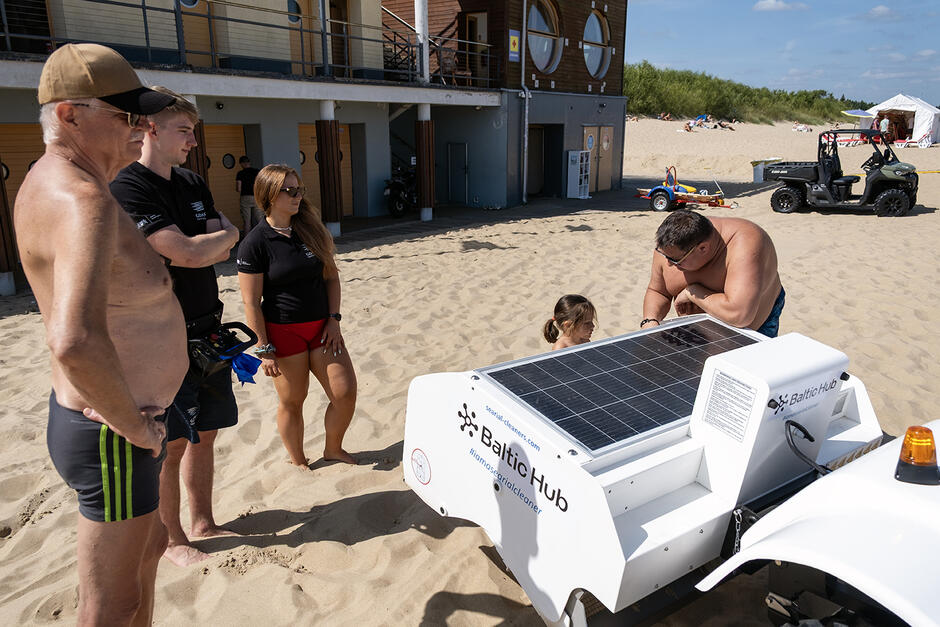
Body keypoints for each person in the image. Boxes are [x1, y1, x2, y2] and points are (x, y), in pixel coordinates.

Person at [14, 43, 186, 624]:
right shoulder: (80, 199)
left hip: (114, 422)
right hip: (113, 431)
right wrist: (135, 427)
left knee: (151, 554)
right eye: (125, 117)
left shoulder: (58, 185)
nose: (140, 132)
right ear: (69, 115)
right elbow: (73, 340)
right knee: (111, 605)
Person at [110, 86, 241, 566]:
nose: (192, 139)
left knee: (206, 433)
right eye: (183, 130)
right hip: (163, 336)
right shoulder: (130, 185)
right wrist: (222, 238)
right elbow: (186, 251)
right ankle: (173, 541)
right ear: (151, 128)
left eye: (193, 131)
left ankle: (203, 521)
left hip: (209, 330)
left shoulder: (191, 182)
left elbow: (214, 244)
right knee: (173, 441)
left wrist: (217, 240)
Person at [237, 164, 357, 467]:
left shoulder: (311, 229)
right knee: (293, 401)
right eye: (288, 191)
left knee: (344, 393)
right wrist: (264, 349)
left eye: (298, 189)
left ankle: (333, 449)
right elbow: (251, 303)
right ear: (268, 195)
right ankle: (298, 459)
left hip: (323, 327)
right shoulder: (255, 243)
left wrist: (334, 318)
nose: (296, 196)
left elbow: (331, 277)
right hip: (283, 332)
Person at [640, 210, 785, 337]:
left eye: (676, 260)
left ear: (703, 248)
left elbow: (740, 315)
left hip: (753, 328)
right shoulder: (671, 246)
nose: (668, 264)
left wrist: (694, 292)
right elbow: (658, 291)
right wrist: (650, 320)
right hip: (698, 332)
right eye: (665, 256)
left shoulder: (745, 243)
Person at [235, 155, 262, 236]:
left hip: (245, 197)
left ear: (242, 163)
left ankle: (246, 241)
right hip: (256, 196)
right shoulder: (257, 171)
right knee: (260, 219)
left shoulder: (240, 173)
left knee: (247, 221)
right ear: (249, 162)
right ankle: (265, 238)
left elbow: (238, 189)